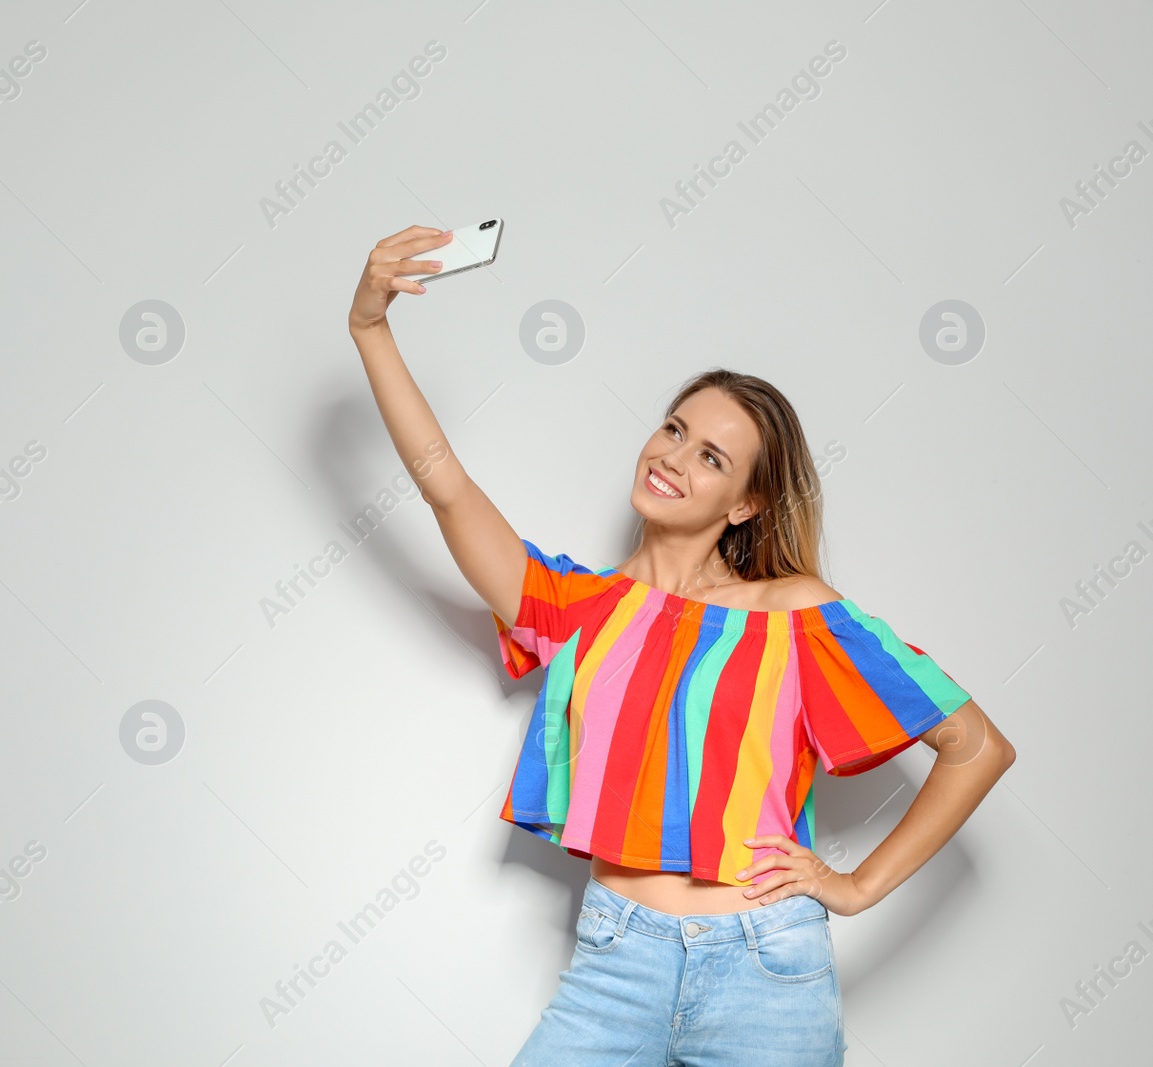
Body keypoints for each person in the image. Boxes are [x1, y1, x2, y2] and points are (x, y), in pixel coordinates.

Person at [347, 225, 1017, 1066]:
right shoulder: (577, 605)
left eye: (710, 457)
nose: (671, 458)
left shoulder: (796, 613)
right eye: (672, 428)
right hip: (613, 964)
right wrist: (371, 328)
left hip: (767, 970)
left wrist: (854, 886)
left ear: (745, 504)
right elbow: (446, 489)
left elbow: (977, 746)